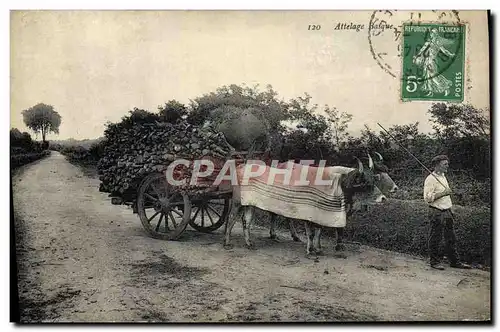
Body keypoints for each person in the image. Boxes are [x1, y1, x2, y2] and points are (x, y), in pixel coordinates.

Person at [423, 155, 471, 270]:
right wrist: (443, 193)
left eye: (447, 164)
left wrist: (449, 206)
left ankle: (455, 262)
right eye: (445, 164)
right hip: (436, 212)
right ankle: (434, 262)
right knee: (435, 238)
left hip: (447, 211)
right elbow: (427, 198)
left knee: (451, 238)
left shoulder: (443, 176)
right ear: (437, 165)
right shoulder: (430, 179)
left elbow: (446, 195)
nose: (447, 166)